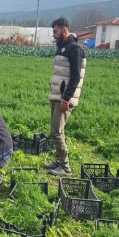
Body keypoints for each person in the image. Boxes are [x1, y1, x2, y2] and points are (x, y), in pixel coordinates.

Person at [44, 17, 86, 176]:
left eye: (55, 31)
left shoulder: (74, 49)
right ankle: (58, 161)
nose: (53, 34)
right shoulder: (62, 47)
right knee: (58, 131)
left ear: (64, 28)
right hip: (57, 96)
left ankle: (65, 167)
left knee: (56, 131)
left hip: (64, 98)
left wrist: (66, 99)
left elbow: (75, 77)